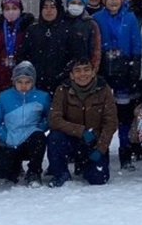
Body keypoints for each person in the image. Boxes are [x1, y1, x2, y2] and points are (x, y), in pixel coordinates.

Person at [92, 0, 142, 170]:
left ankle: (125, 152)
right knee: (101, 114)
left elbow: (136, 43)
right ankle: (100, 149)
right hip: (104, 69)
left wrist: (135, 66)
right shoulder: (96, 18)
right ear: (104, 0)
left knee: (124, 115)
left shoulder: (129, 18)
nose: (114, 1)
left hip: (124, 69)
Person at [47, 58, 118, 187]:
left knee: (98, 179)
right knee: (54, 137)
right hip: (70, 139)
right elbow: (54, 120)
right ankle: (60, 172)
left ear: (93, 72)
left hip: (94, 141)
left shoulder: (104, 90)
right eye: (78, 71)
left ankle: (86, 165)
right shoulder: (63, 90)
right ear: (72, 75)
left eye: (86, 70)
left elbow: (110, 123)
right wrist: (80, 131)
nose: (82, 74)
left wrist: (101, 149)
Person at [0, 61, 49, 187]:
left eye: (27, 82)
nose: (23, 86)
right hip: (10, 139)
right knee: (2, 173)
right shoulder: (4, 97)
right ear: (14, 82)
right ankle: (14, 167)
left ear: (33, 82)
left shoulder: (42, 97)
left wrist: (39, 128)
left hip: (31, 138)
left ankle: (34, 171)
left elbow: (49, 117)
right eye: (19, 82)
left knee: (39, 138)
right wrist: (5, 136)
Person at [19, 0, 72, 96]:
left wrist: (64, 76)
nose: (48, 11)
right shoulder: (32, 30)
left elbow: (74, 56)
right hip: (36, 84)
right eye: (45, 7)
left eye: (52, 7)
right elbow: (23, 55)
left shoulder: (68, 30)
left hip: (62, 84)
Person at [61, 0, 102, 72]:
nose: (76, 6)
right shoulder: (60, 22)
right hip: (60, 70)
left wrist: (92, 71)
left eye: (80, 3)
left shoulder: (91, 24)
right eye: (73, 2)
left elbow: (96, 52)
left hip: (82, 73)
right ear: (67, 4)